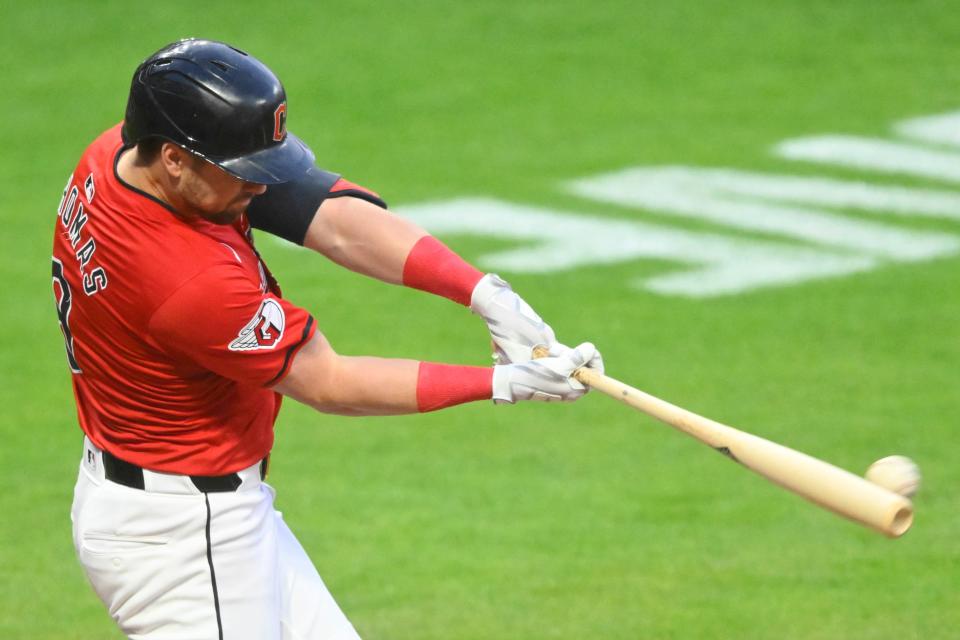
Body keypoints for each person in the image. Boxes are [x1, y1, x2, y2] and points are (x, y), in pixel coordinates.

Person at [51, 38, 603, 639]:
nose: (258, 189)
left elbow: (329, 219)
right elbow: (329, 381)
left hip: (190, 506)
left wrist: (482, 292)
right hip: (185, 542)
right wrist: (504, 382)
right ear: (175, 159)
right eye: (243, 174)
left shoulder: (124, 154)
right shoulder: (186, 281)